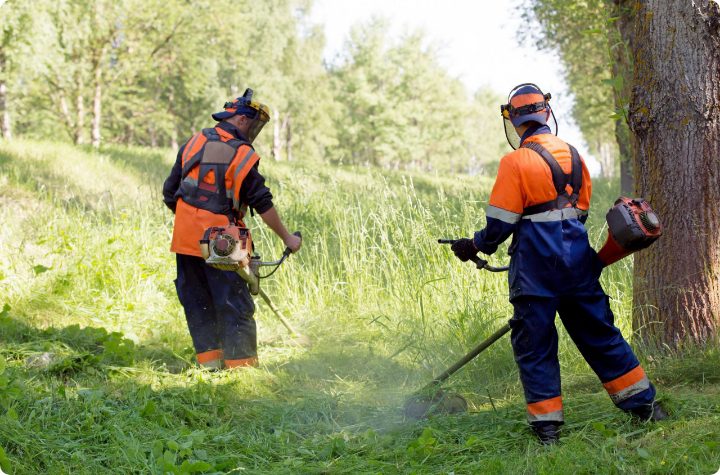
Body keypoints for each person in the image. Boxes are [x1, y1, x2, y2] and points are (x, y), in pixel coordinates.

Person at [451, 83, 666, 444]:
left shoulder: (515, 161)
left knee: (535, 346)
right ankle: (646, 408)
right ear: (546, 114)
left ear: (516, 122)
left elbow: (499, 227)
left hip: (536, 269)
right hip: (578, 262)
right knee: (600, 335)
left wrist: (473, 245)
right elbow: (578, 213)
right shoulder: (575, 155)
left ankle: (548, 430)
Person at [162, 89, 301, 370]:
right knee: (234, 304)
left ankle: (210, 367)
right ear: (239, 119)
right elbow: (262, 202)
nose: (254, 130)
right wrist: (289, 239)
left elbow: (169, 193)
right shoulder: (242, 154)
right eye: (253, 124)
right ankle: (242, 373)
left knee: (198, 303)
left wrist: (194, 219)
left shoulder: (194, 141)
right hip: (222, 242)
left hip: (186, 239)